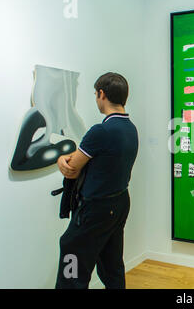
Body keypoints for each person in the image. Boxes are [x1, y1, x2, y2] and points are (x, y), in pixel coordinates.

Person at [55, 72, 138, 289]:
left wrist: (61, 158)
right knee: (111, 264)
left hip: (96, 208)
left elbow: (71, 169)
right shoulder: (130, 128)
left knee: (70, 253)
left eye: (95, 94)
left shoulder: (101, 131)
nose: (95, 98)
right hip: (119, 203)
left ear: (102, 94)